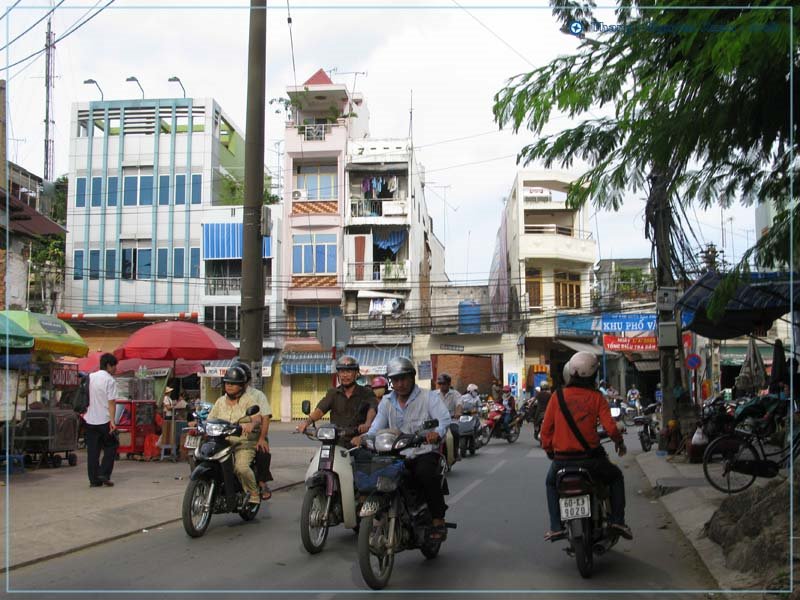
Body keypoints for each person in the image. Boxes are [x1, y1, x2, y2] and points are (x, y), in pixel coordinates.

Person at [540, 351, 632, 541]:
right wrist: (619, 443)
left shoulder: (557, 397)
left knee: (550, 483)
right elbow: (610, 428)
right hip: (591, 460)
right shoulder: (597, 397)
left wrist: (550, 450)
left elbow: (546, 429)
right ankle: (617, 521)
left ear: (571, 373)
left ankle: (556, 526)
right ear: (594, 374)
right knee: (616, 477)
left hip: (562, 461)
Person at [366, 356, 452, 540]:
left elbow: (444, 419)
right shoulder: (387, 402)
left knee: (426, 472)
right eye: (395, 380)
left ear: (412, 377)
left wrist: (436, 432)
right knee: (374, 474)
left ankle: (438, 520)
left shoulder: (428, 397)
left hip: (422, 451)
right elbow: (375, 428)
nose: (400, 384)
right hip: (395, 454)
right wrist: (364, 438)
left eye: (404, 378)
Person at [207, 365, 263, 504]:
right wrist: (198, 424)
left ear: (242, 386)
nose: (229, 386)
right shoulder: (220, 401)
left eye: (233, 384)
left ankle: (253, 492)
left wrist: (251, 424)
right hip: (222, 442)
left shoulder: (249, 400)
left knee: (241, 467)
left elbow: (257, 418)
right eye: (227, 383)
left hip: (242, 444)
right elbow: (210, 418)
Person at [297, 355, 377, 447]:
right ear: (338, 374)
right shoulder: (333, 393)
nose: (345, 375)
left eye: (348, 371)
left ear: (356, 373)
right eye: (342, 371)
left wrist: (367, 424)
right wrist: (306, 422)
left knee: (364, 459)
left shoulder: (366, 392)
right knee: (317, 460)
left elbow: (372, 409)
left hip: (358, 441)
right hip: (335, 442)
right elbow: (320, 410)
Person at [232, 361, 274, 501]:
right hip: (231, 433)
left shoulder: (257, 395)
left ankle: (262, 483)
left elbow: (265, 417)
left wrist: (262, 438)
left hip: (253, 435)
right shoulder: (228, 395)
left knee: (262, 450)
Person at [85, 353, 119, 488]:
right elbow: (111, 402)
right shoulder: (110, 380)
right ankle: (104, 473)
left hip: (89, 419)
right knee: (111, 446)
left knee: (93, 451)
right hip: (104, 419)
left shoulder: (90, 377)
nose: (116, 369)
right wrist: (113, 421)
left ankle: (94, 479)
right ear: (109, 365)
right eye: (114, 366)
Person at [433, 373, 463, 461]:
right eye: (440, 384)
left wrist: (458, 412)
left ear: (449, 384)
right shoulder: (434, 394)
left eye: (444, 384)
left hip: (452, 420)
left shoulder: (455, 394)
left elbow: (459, 404)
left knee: (455, 432)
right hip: (438, 421)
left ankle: (455, 452)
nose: (442, 386)